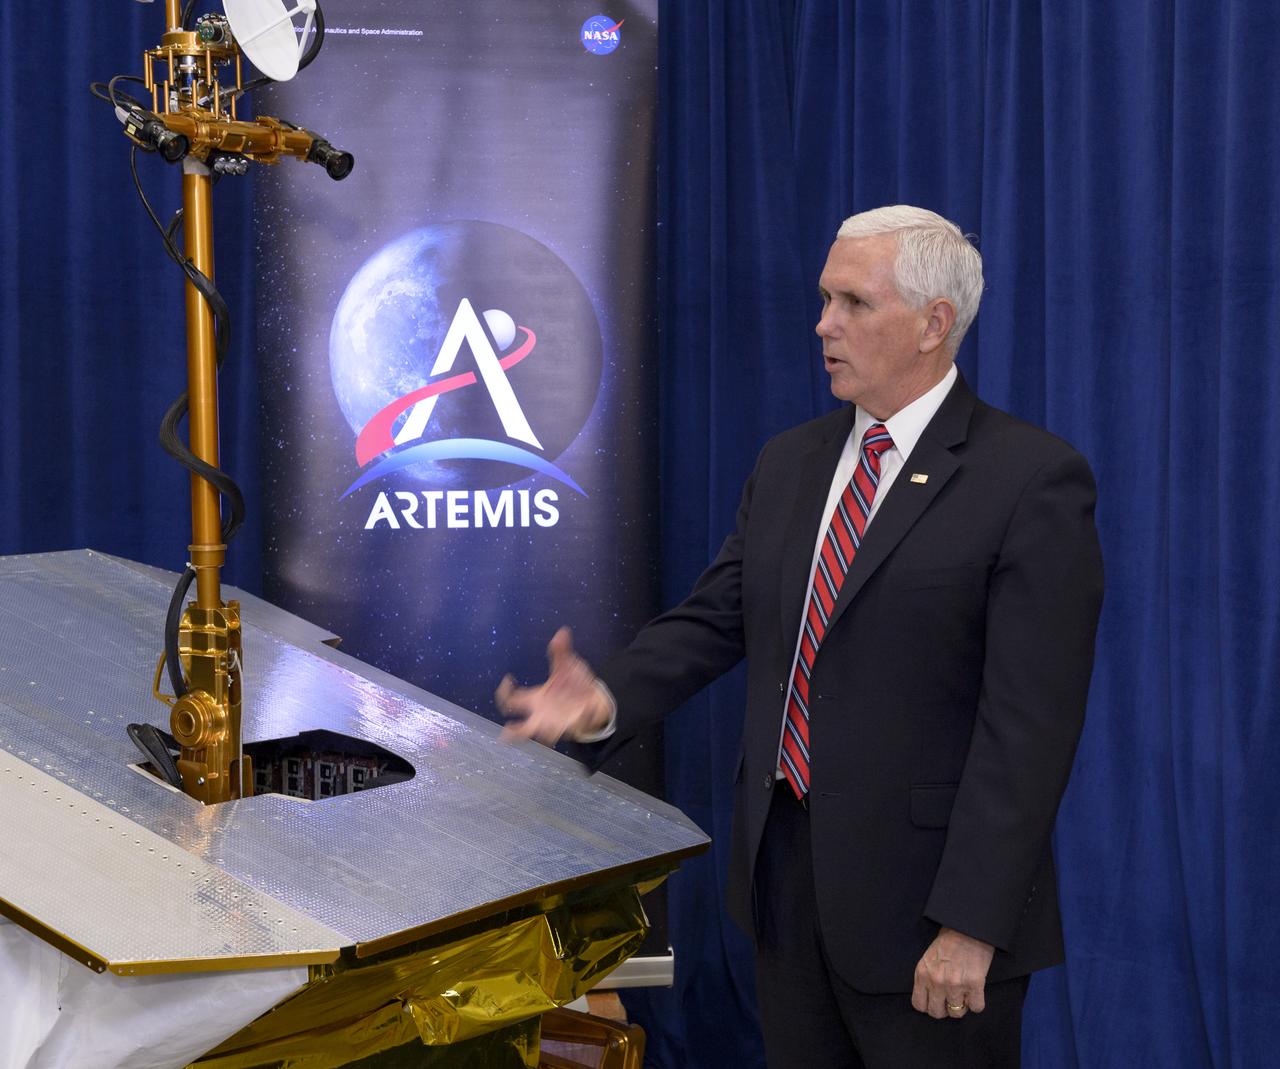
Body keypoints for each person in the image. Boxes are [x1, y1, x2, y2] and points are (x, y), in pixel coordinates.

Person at [497, 205, 1103, 1068]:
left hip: (931, 916)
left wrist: (972, 922)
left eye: (853, 302)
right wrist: (606, 699)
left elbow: (1030, 730)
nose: (824, 324)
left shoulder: (1030, 479)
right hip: (788, 893)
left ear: (935, 323)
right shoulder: (792, 461)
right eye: (824, 299)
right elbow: (716, 617)